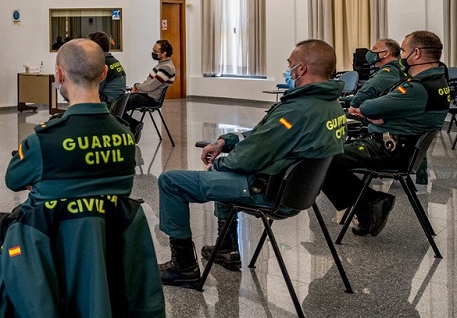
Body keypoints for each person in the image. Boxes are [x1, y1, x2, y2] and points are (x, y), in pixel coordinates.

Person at [0, 39, 136, 285]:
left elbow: (13, 180)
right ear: (104, 73)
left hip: (42, 233)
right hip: (105, 236)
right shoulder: (125, 136)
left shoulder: (45, 139)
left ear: (59, 74)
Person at [157, 39, 345, 287]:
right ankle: (226, 249)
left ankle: (183, 266)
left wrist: (220, 165)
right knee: (225, 167)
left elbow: (250, 156)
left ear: (301, 69)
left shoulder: (296, 110)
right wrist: (226, 141)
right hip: (297, 193)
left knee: (171, 181)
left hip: (266, 191)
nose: (287, 69)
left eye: (290, 64)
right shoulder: (331, 106)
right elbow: (262, 134)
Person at [321, 30, 451, 237]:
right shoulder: (438, 82)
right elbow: (385, 108)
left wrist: (373, 113)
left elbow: (369, 106)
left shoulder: (417, 88)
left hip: (389, 150)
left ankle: (371, 203)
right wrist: (379, 115)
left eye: (404, 51)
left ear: (416, 53)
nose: (401, 57)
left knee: (320, 159)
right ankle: (369, 205)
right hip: (401, 147)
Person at [120, 39, 176, 135]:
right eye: (153, 50)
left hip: (151, 98)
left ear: (164, 53)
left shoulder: (166, 68)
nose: (153, 53)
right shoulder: (160, 65)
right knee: (119, 104)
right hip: (144, 95)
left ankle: (133, 126)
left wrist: (136, 86)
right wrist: (138, 88)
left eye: (155, 51)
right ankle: (132, 127)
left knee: (119, 106)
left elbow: (150, 86)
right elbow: (147, 83)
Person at [347, 38, 404, 111]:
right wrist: (343, 99)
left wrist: (353, 105)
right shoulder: (395, 69)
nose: (370, 51)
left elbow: (369, 88)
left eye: (374, 48)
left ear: (385, 53)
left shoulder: (389, 71)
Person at [88, 31, 127, 107]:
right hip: (116, 104)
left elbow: (95, 91)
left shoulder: (102, 64)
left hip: (106, 105)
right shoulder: (114, 61)